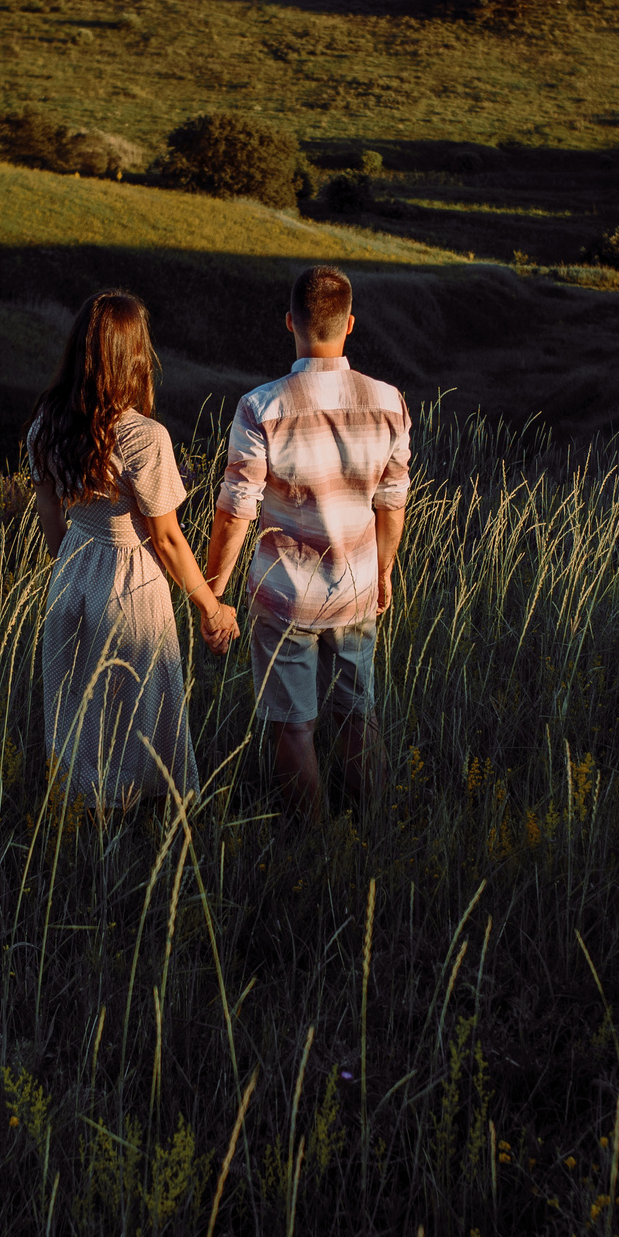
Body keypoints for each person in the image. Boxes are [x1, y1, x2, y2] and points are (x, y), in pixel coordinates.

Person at [204, 265, 411, 821]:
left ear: (290, 322)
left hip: (285, 594)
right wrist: (385, 571)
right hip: (358, 587)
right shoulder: (389, 401)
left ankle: (310, 852)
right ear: (350, 325)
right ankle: (372, 835)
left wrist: (213, 594)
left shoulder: (260, 407)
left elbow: (236, 510)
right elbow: (393, 500)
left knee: (293, 727)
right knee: (357, 715)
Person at [30, 291, 239, 814]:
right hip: (130, 581)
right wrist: (210, 608)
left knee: (79, 703)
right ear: (134, 357)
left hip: (72, 570)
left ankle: (86, 818)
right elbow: (166, 538)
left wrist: (74, 570)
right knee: (142, 705)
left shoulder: (48, 422)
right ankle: (150, 819)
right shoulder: (143, 437)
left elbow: (50, 517)